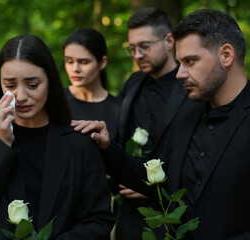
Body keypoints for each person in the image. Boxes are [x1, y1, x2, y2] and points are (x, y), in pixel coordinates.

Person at [72, 9, 250, 239]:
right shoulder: (187, 113)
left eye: (190, 61)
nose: (179, 73)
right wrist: (108, 148)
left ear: (226, 55)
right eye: (179, 63)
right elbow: (158, 180)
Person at [0, 35, 114, 239]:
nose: (20, 96)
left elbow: (99, 220)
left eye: (32, 85)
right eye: (10, 85)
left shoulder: (79, 140)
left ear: (50, 82)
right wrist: (1, 144)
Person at [114, 8, 187, 239]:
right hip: (129, 216)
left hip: (172, 213)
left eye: (144, 46)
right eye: (132, 48)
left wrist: (150, 186)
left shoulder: (190, 88)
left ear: (168, 41)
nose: (137, 55)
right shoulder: (133, 83)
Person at [63, 28, 121, 139]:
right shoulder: (55, 100)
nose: (75, 69)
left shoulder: (118, 109)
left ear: (102, 62)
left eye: (84, 62)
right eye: (69, 61)